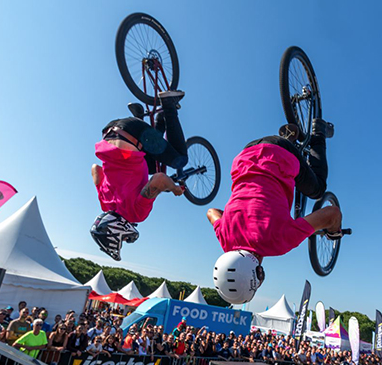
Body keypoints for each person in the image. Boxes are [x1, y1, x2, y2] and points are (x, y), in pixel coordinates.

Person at [208, 119, 342, 304]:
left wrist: (334, 231)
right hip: (246, 155)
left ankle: (318, 133)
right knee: (274, 167)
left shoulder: (278, 242)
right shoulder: (225, 238)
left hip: (283, 155)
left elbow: (332, 213)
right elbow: (211, 212)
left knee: (318, 188)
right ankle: (288, 136)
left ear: (259, 274)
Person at [90, 90, 188, 261]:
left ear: (116, 230)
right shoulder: (105, 204)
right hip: (109, 132)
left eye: (123, 239)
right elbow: (95, 169)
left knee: (180, 160)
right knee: (148, 165)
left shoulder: (136, 214)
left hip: (134, 134)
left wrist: (174, 189)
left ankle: (169, 105)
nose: (128, 239)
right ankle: (143, 116)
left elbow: (160, 179)